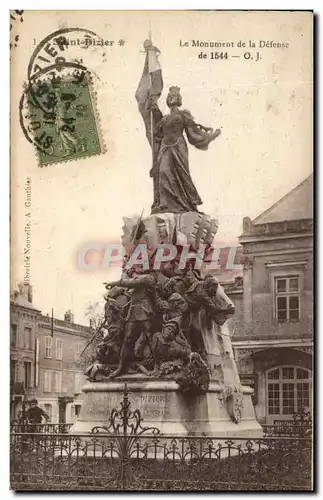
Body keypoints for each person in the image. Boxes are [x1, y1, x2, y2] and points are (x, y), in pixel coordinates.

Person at [147, 86, 221, 213]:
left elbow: (192, 135)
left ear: (179, 99)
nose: (170, 97)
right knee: (163, 172)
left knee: (182, 175)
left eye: (173, 95)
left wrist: (209, 137)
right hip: (165, 148)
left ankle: (188, 203)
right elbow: (157, 135)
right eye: (169, 96)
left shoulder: (183, 115)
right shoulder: (164, 119)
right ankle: (164, 204)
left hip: (178, 147)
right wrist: (153, 109)